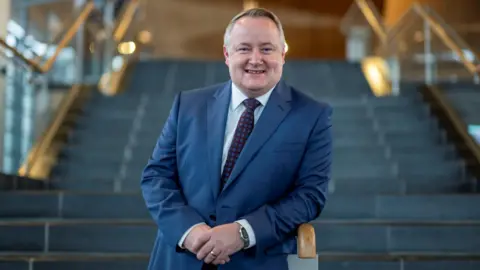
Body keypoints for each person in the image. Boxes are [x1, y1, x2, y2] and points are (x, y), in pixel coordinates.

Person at [140, 7, 332, 270]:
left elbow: (310, 196)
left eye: (267, 49)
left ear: (283, 54)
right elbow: (156, 176)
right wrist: (190, 231)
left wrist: (243, 233)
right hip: (180, 259)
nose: (256, 59)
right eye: (244, 48)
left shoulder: (312, 116)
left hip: (258, 261)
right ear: (227, 54)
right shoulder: (188, 105)